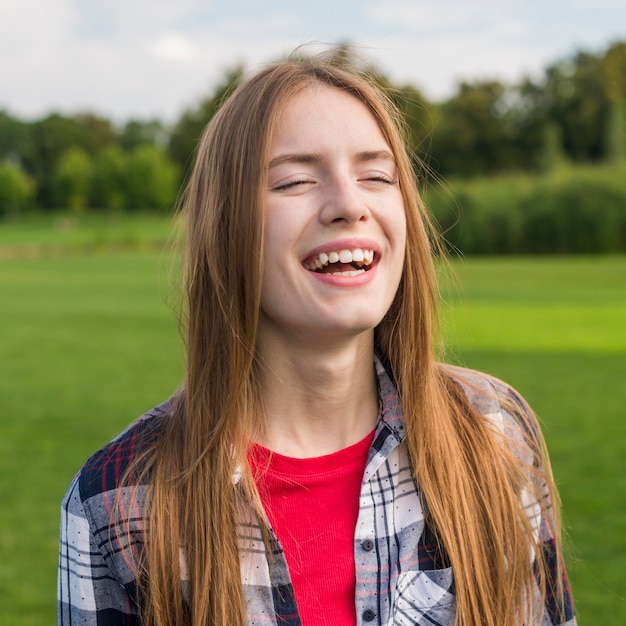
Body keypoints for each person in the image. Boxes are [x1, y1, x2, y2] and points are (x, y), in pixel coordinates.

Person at [58, 56, 576, 626]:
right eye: (295, 181)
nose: (350, 204)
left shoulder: (494, 432)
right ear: (226, 225)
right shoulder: (117, 502)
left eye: (376, 176)